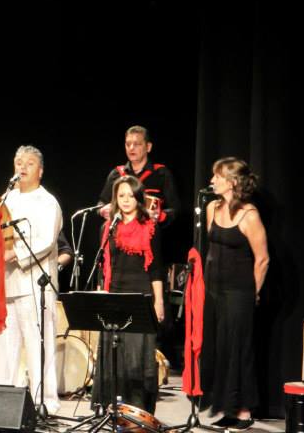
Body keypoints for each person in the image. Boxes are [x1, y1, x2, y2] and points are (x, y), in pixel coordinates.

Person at [0, 146, 62, 414]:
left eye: (29, 163)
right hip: (7, 284)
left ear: (40, 171)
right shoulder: (6, 199)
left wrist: (14, 253)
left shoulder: (48, 201)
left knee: (39, 346)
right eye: (18, 162)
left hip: (35, 284)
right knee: (4, 349)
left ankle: (46, 403)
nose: (22, 167)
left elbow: (46, 240)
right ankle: (1, 402)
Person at [200, 158, 268, 431]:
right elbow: (211, 249)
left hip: (239, 292)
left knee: (238, 349)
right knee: (220, 348)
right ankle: (227, 406)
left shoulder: (249, 215)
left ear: (232, 182)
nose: (212, 181)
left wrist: (255, 292)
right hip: (214, 290)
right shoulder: (211, 208)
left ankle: (243, 410)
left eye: (217, 176)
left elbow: (262, 259)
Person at [91, 176, 165, 414]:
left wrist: (159, 302)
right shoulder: (108, 227)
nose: (125, 200)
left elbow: (156, 268)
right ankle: (110, 407)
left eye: (130, 196)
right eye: (121, 195)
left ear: (138, 198)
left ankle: (137, 409)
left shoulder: (150, 227)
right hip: (114, 296)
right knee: (113, 356)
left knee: (136, 358)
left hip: (140, 297)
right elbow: (103, 265)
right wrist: (101, 290)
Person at [98, 126, 181, 227]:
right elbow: (101, 203)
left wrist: (159, 215)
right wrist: (102, 210)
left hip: (151, 233)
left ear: (148, 147)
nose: (131, 148)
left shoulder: (161, 173)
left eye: (137, 144)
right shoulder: (116, 174)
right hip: (120, 233)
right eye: (128, 144)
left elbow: (175, 210)